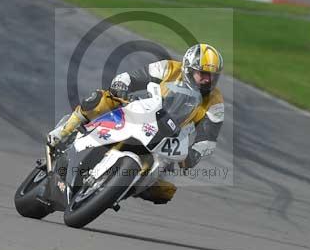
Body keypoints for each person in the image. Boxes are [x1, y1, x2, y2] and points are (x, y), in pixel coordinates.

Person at [47, 44, 225, 204]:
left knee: (165, 191)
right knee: (100, 100)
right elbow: (134, 77)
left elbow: (208, 137)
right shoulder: (170, 68)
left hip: (170, 136)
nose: (208, 80)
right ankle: (64, 131)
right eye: (203, 74)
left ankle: (121, 188)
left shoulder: (215, 102)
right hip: (143, 111)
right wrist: (122, 84)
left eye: (213, 76)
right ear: (188, 68)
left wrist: (194, 154)